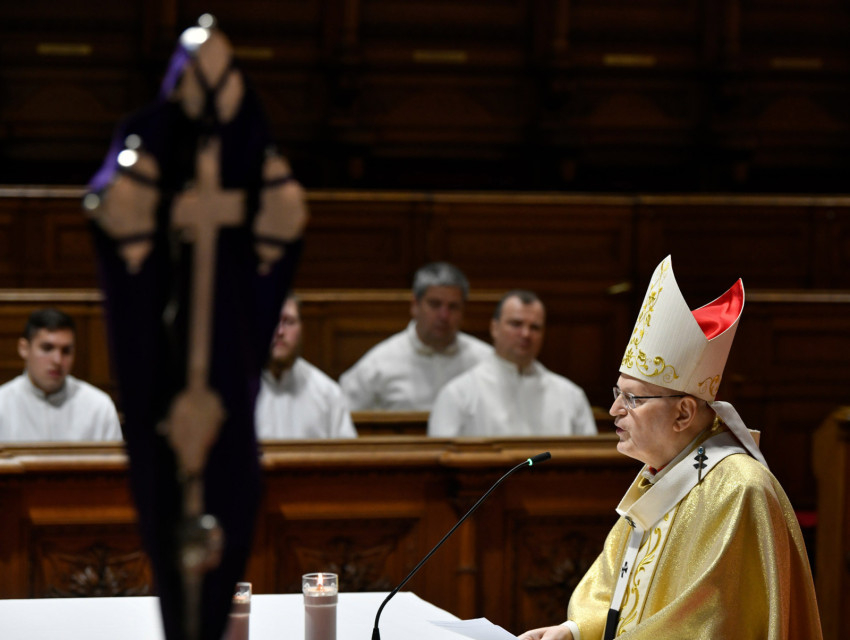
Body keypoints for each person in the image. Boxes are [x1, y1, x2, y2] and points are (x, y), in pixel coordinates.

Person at [518, 256, 822, 640]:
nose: (614, 410)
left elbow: (711, 624)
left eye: (633, 398)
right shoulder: (663, 472)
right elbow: (617, 583)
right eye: (617, 393)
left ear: (683, 413)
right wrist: (574, 631)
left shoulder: (739, 489)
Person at [428, 290, 596, 437]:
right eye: (516, 324)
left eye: (535, 327)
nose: (526, 334)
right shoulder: (458, 394)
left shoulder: (571, 396)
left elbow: (591, 458)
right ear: (494, 328)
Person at [339, 262, 491, 411]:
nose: (444, 316)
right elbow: (343, 415)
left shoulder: (485, 360)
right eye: (435, 304)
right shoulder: (378, 364)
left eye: (453, 307)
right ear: (415, 305)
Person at [0, 308, 122, 441]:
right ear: (24, 348)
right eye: (47, 348)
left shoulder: (99, 407)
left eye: (66, 351)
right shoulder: (2, 404)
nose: (57, 360)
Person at [255, 295, 357, 439]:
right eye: (271, 321)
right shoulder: (235, 392)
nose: (280, 331)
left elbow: (348, 451)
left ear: (302, 328)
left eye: (289, 322)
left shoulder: (328, 394)